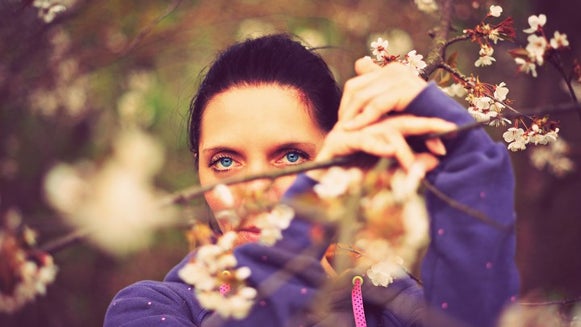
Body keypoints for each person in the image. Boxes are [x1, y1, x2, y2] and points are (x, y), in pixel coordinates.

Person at [104, 34, 519, 327]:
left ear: (338, 156)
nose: (253, 189)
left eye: (290, 157)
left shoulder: (398, 304)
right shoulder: (150, 309)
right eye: (225, 161)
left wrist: (466, 161)